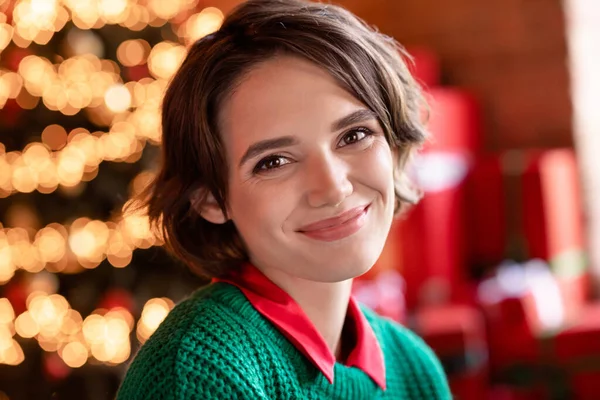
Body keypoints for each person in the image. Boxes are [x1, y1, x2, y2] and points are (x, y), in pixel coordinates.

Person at [117, 0, 452, 398]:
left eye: (354, 135)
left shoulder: (413, 366)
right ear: (209, 198)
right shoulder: (199, 370)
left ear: (393, 141)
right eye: (273, 161)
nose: (332, 187)